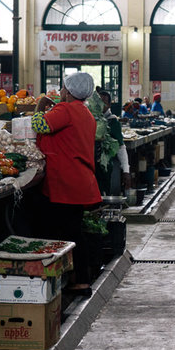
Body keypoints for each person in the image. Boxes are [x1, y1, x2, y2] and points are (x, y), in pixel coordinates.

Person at [31, 72, 103, 295]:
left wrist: (39, 106)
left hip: (65, 181)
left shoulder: (66, 109)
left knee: (61, 230)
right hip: (79, 179)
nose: (61, 92)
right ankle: (78, 276)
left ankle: (76, 279)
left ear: (69, 91)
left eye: (63, 88)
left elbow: (39, 125)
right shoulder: (86, 113)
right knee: (74, 230)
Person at [91, 88, 132, 195]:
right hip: (89, 167)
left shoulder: (112, 121)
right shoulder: (88, 119)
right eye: (97, 101)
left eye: (103, 102)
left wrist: (126, 170)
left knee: (102, 193)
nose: (99, 105)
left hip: (104, 169)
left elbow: (120, 147)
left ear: (109, 105)